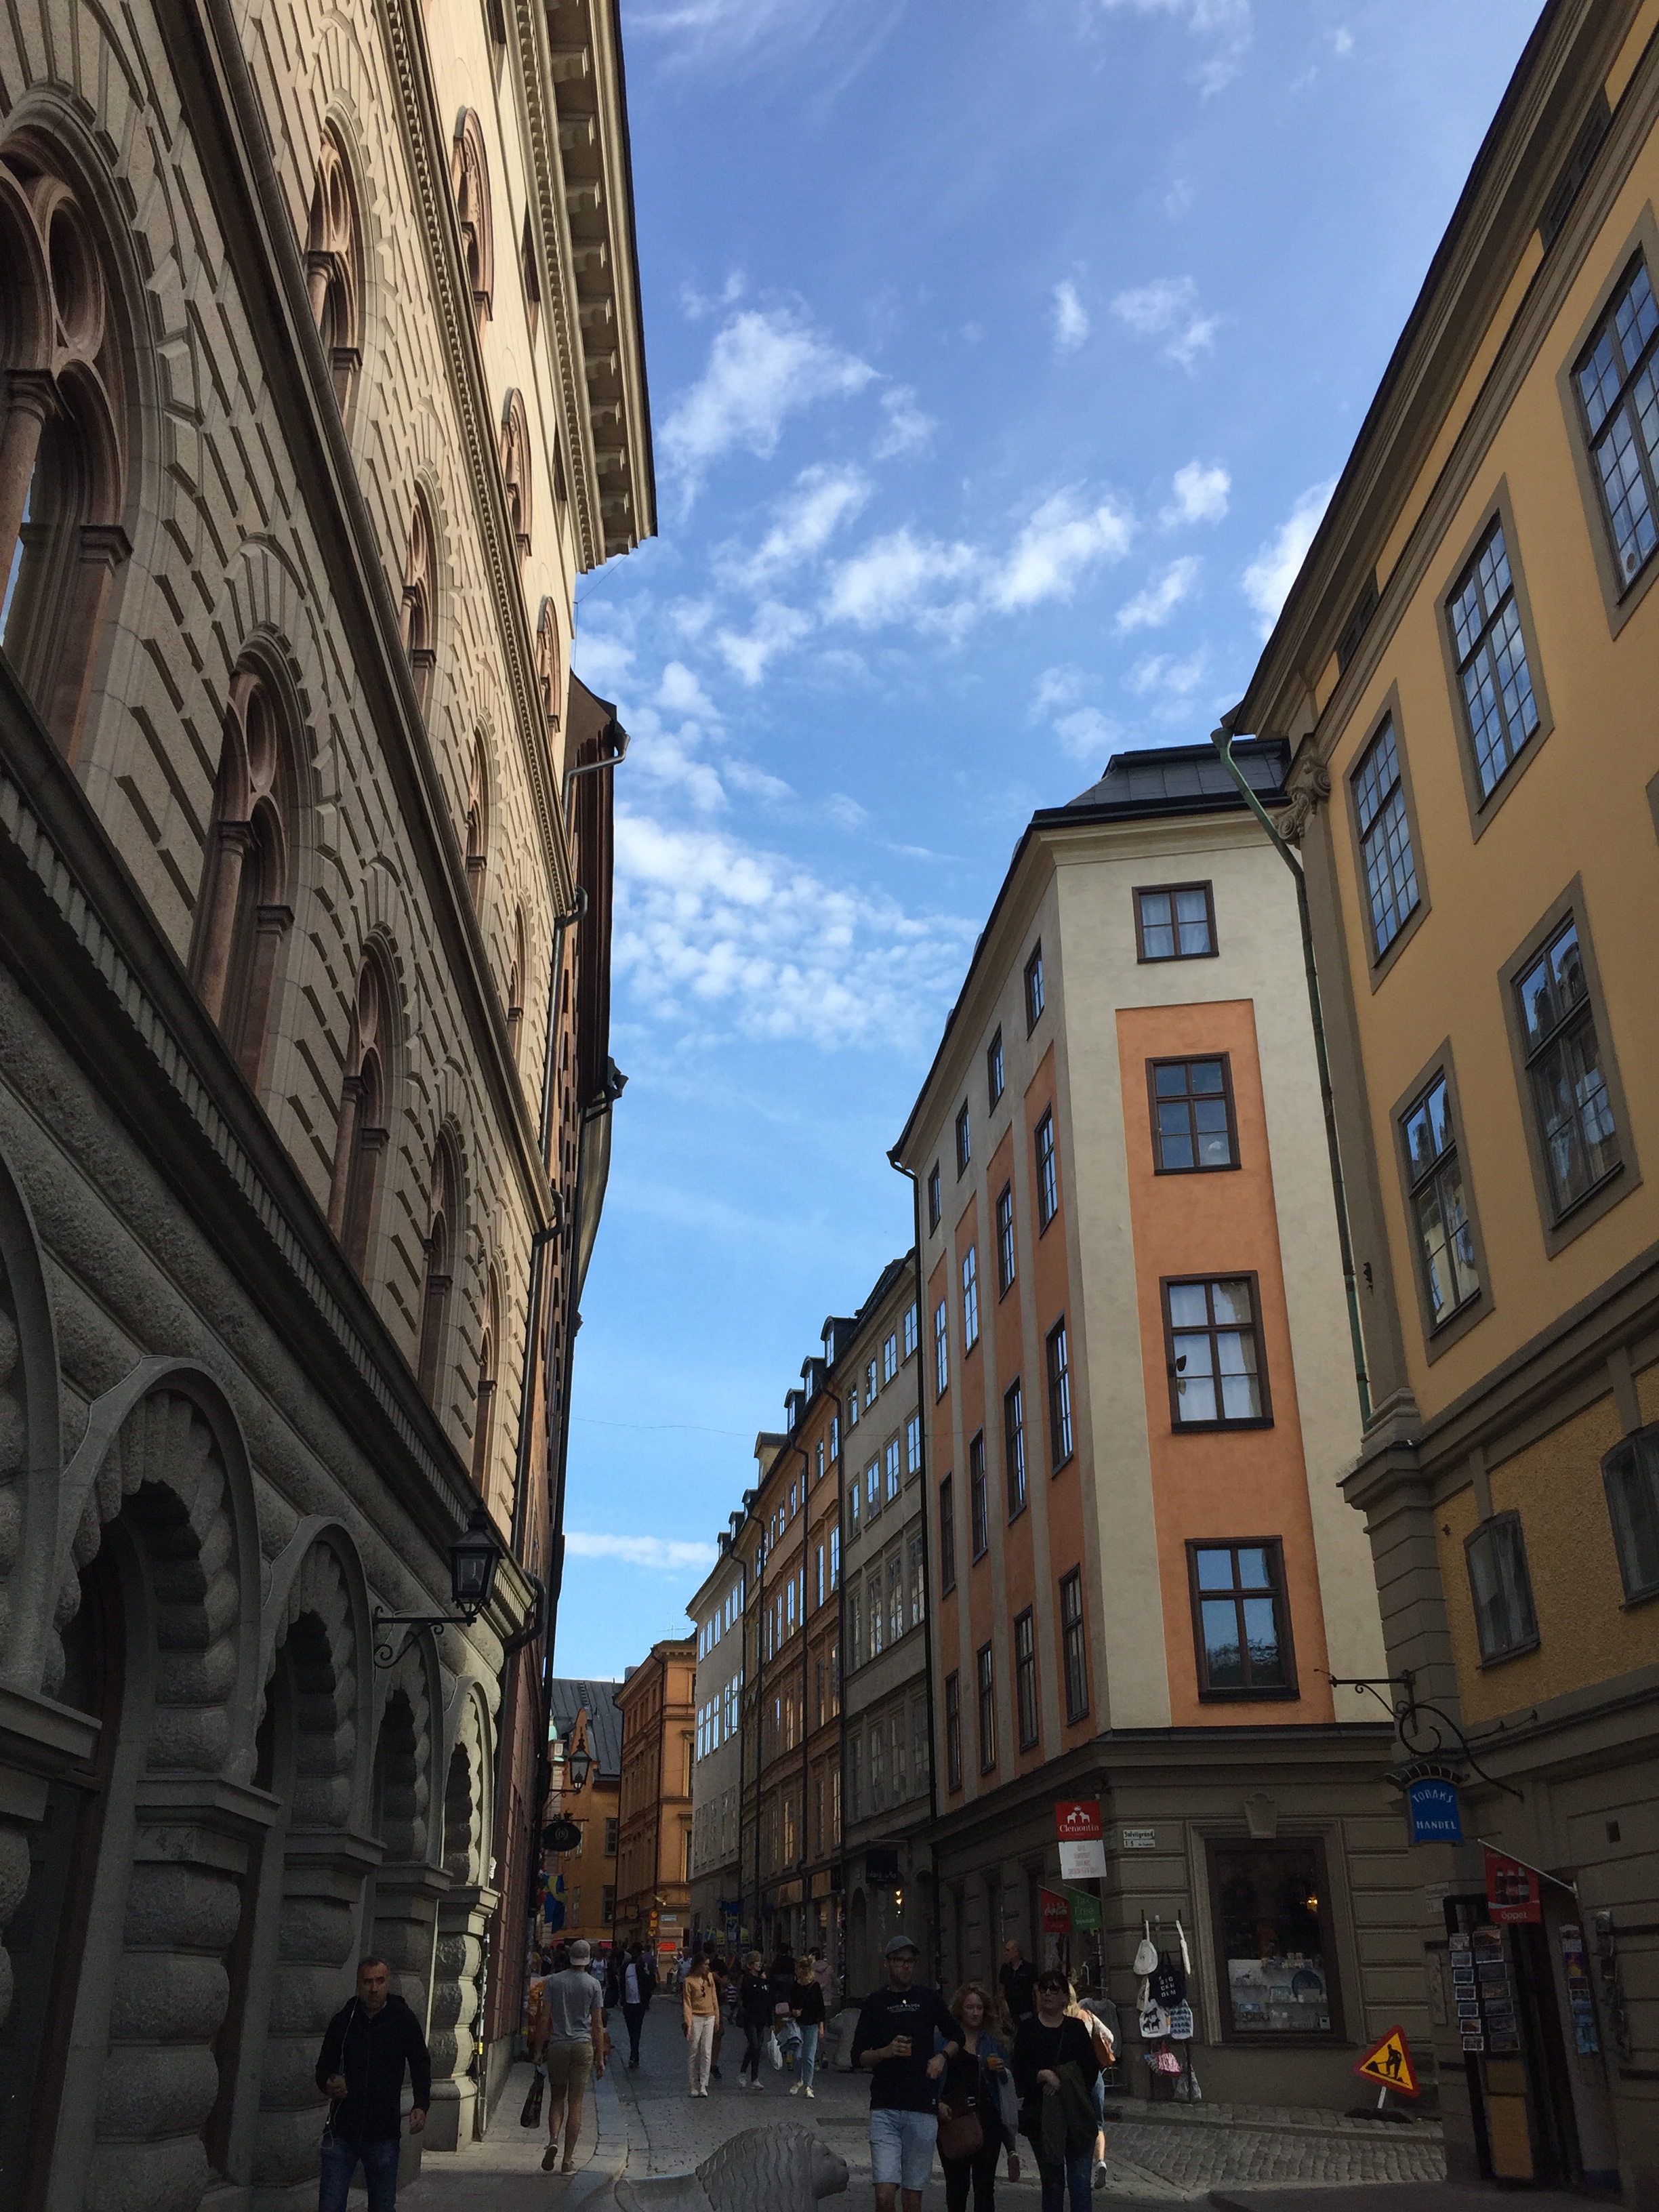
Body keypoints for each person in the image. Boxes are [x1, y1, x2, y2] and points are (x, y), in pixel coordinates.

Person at [851, 1936, 958, 2212]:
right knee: (884, 2195)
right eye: (899, 1960)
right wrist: (885, 2052)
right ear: (888, 1964)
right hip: (885, 2107)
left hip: (922, 2107)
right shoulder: (875, 2003)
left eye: (910, 1961)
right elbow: (857, 2057)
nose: (905, 1966)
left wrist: (941, 2057)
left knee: (912, 2198)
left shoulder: (928, 1998)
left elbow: (956, 2036)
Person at [314, 1956, 431, 2212]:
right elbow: (323, 2067)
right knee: (330, 2205)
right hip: (342, 2131)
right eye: (368, 1982)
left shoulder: (402, 2020)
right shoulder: (344, 2021)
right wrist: (327, 2083)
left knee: (382, 2205)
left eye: (380, 1981)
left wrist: (421, 2105)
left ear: (387, 1983)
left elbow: (421, 2063)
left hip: (383, 2134)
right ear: (359, 1986)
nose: (374, 1988)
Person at [1012, 1969, 1099, 2212]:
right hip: (1042, 2120)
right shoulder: (1028, 2029)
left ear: (1064, 1997)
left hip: (1075, 2116)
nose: (1048, 1993)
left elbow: (1090, 2070)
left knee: (1080, 2185)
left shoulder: (1076, 2029)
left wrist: (1063, 2083)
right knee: (1052, 2185)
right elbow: (1019, 2072)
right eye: (1043, 1989)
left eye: (1054, 1989)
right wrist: (1041, 2075)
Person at [935, 1982, 1017, 2212]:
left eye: (979, 2008)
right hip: (954, 2117)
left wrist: (1001, 2071)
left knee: (985, 2186)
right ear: (960, 2009)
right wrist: (937, 2102)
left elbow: (1007, 2081)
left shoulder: (992, 2041)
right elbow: (932, 2075)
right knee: (956, 2186)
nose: (975, 2013)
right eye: (970, 2007)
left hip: (987, 2119)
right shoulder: (944, 2040)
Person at [533, 1936, 606, 2173]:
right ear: (588, 1960)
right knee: (576, 2103)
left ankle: (553, 2139)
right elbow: (597, 2024)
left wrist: (538, 2049)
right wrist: (600, 2057)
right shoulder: (593, 1985)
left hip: (558, 2045)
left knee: (557, 2098)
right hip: (583, 2046)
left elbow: (544, 2017)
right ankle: (567, 2160)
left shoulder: (554, 1982)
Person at [682, 1950, 721, 2097]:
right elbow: (687, 2003)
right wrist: (688, 2022)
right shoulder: (689, 1981)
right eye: (705, 1964)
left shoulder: (709, 1977)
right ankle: (693, 2085)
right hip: (696, 2017)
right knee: (693, 2051)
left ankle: (704, 2084)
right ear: (698, 1965)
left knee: (706, 2051)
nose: (707, 1967)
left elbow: (714, 1998)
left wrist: (717, 2017)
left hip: (709, 2017)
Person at [789, 1952, 826, 2098]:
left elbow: (821, 2008)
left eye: (797, 1968)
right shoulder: (795, 1985)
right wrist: (794, 2010)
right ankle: (799, 2080)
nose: (795, 1971)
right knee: (798, 2056)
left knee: (809, 2057)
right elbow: (791, 2002)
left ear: (803, 1970)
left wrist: (821, 2027)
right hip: (798, 2025)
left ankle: (809, 2086)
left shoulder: (814, 1986)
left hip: (812, 2025)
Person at [737, 1951, 773, 2090]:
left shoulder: (764, 1981)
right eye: (757, 1961)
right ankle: (743, 2072)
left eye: (760, 1961)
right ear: (751, 1965)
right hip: (750, 2018)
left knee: (757, 2048)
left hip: (761, 2018)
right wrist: (762, 1982)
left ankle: (754, 2077)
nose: (760, 1964)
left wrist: (770, 2021)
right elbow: (750, 1995)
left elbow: (767, 2001)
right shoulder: (747, 1979)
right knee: (754, 2045)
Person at [621, 1942, 654, 2068]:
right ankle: (635, 2054)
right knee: (631, 2030)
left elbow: (651, 1983)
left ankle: (633, 2055)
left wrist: (646, 1999)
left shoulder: (643, 1967)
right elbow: (622, 1984)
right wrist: (622, 2000)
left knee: (637, 2029)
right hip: (628, 2004)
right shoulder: (626, 1967)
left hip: (639, 2004)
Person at [998, 1941, 1036, 2032]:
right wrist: (1003, 2010)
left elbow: (1037, 1991)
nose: (1005, 1953)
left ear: (1016, 1952)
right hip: (1010, 2014)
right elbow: (1002, 1991)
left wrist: (1038, 2011)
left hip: (1026, 2012)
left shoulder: (1029, 1968)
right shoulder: (1005, 1969)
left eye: (1008, 1950)